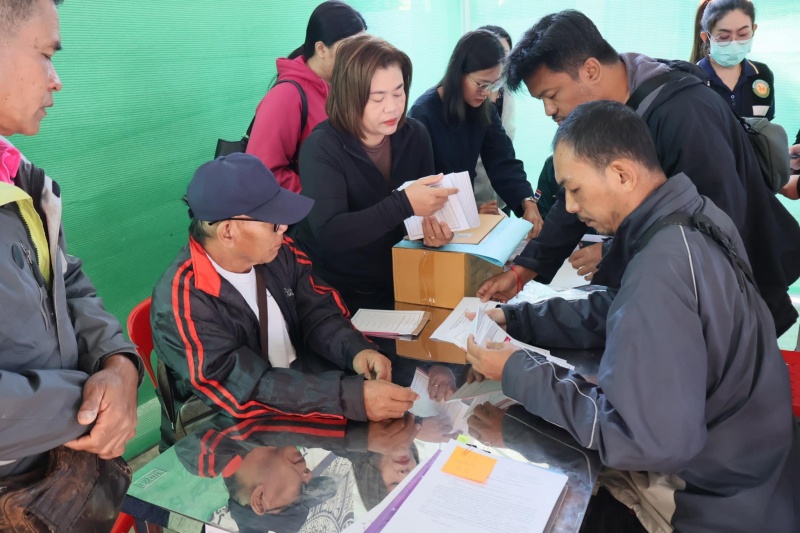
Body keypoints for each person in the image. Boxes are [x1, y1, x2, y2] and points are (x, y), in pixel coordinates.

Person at [467, 101, 800, 532]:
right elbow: (622, 307)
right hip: (761, 473)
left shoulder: (662, 266)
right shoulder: (694, 217)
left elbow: (643, 441)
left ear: (622, 174)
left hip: (708, 501)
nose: (570, 207)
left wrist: (518, 370)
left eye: (575, 189)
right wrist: (518, 320)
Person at [476, 10, 800, 336]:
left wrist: (613, 251)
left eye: (551, 95)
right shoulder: (614, 110)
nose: (549, 110)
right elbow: (574, 198)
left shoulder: (685, 113)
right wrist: (522, 272)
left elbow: (714, 222)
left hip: (731, 299)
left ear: (590, 70)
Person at [151, 153, 419, 429]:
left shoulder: (280, 252)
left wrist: (356, 351)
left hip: (307, 397)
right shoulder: (182, 302)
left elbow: (318, 313)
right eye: (273, 223)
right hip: (236, 429)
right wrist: (348, 397)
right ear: (228, 232)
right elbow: (244, 388)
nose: (285, 228)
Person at [0, 0, 142, 501]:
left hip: (54, 476)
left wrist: (119, 365)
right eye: (45, 54)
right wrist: (90, 402)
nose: (56, 80)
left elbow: (67, 282)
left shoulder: (20, 179)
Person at [292, 34, 457, 312]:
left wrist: (432, 235)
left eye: (398, 92)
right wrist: (403, 203)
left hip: (394, 278)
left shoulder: (415, 135)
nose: (392, 107)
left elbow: (419, 217)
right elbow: (330, 232)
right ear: (349, 96)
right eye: (377, 97)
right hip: (332, 290)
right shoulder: (321, 147)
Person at [409, 30, 543, 237]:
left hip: (463, 222)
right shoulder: (423, 114)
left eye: (493, 85)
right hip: (431, 224)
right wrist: (464, 214)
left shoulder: (483, 109)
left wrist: (527, 201)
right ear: (458, 73)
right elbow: (419, 186)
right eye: (481, 84)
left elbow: (502, 161)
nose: (487, 92)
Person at [245, 1, 366, 193]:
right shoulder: (286, 96)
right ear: (321, 49)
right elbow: (262, 173)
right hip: (313, 207)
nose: (359, 57)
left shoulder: (343, 86)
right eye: (350, 48)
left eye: (363, 47)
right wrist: (322, 196)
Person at [690, 0, 775, 120]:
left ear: (753, 30)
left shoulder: (762, 75)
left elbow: (765, 124)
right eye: (724, 37)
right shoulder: (691, 79)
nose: (734, 43)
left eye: (743, 34)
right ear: (706, 37)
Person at [472, 25, 517, 217]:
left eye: (505, 56)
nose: (499, 63)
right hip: (473, 205)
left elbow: (505, 152)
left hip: (501, 198)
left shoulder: (508, 95)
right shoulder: (470, 97)